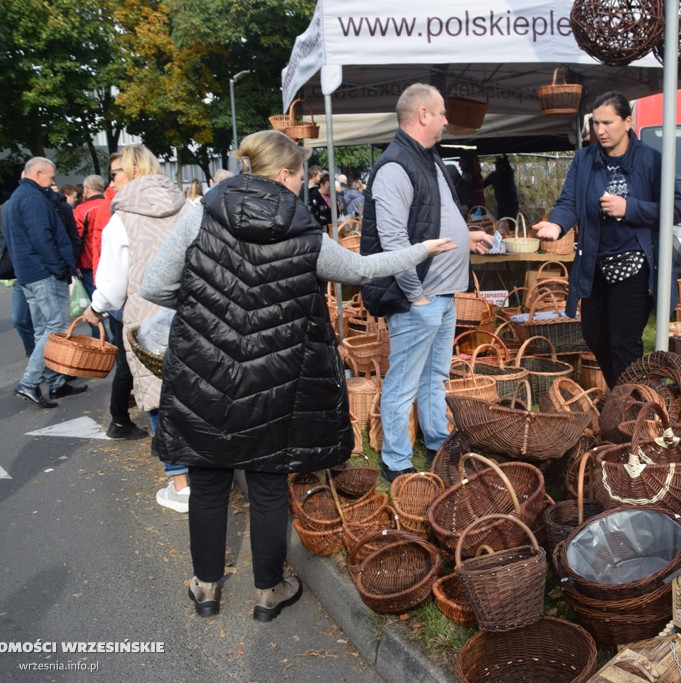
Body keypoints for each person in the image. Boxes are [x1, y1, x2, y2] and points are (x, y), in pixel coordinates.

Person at [140, 128, 456, 621]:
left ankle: (205, 588)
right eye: (301, 174)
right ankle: (268, 593)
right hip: (278, 373)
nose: (303, 183)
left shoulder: (201, 213)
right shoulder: (305, 232)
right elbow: (360, 270)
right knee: (267, 485)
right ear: (285, 174)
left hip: (205, 370)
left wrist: (208, 307)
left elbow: (156, 286)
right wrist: (422, 250)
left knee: (207, 483)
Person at [360, 83, 492, 482]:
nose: (447, 120)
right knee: (402, 382)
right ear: (422, 115)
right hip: (420, 296)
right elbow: (394, 240)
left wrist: (468, 235)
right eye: (441, 113)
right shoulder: (395, 166)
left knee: (435, 376)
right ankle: (396, 461)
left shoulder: (427, 159)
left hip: (443, 294)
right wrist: (415, 296)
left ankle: (437, 442)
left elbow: (432, 215)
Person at [533, 91, 681, 389]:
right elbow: (569, 202)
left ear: (627, 122)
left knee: (623, 341)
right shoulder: (584, 159)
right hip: (594, 265)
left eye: (607, 123)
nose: (600, 130)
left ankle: (630, 406)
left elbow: (675, 209)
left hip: (635, 265)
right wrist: (557, 224)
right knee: (594, 335)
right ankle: (630, 396)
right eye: (595, 123)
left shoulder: (652, 161)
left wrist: (630, 209)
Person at [82, 145, 191, 511]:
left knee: (158, 395)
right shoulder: (187, 207)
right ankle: (206, 474)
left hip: (147, 319)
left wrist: (95, 308)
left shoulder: (120, 221)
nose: (112, 180)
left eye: (116, 173)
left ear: (131, 172)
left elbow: (113, 285)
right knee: (196, 393)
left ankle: (181, 483)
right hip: (193, 312)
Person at [6, 157, 88, 408]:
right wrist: (59, 268)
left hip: (30, 273)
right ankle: (30, 382)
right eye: (51, 177)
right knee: (55, 329)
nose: (53, 182)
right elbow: (42, 237)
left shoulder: (19, 197)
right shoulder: (32, 198)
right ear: (38, 173)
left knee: (44, 330)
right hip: (43, 273)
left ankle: (54, 382)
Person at [0, 198, 36, 355]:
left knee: (43, 321)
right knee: (20, 319)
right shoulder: (4, 209)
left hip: (41, 271)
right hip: (21, 273)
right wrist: (10, 251)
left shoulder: (40, 203)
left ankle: (45, 361)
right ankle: (35, 354)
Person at [73, 175, 112, 302]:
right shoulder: (111, 205)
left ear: (86, 189)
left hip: (89, 262)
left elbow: (76, 237)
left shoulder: (81, 209)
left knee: (95, 304)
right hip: (112, 259)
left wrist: (74, 263)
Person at [482, 155, 520, 219]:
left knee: (511, 221)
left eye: (499, 165)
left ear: (504, 166)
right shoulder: (493, 175)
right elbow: (483, 184)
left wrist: (506, 160)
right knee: (501, 221)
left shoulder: (509, 173)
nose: (497, 167)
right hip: (501, 204)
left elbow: (509, 170)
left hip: (512, 203)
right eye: (496, 165)